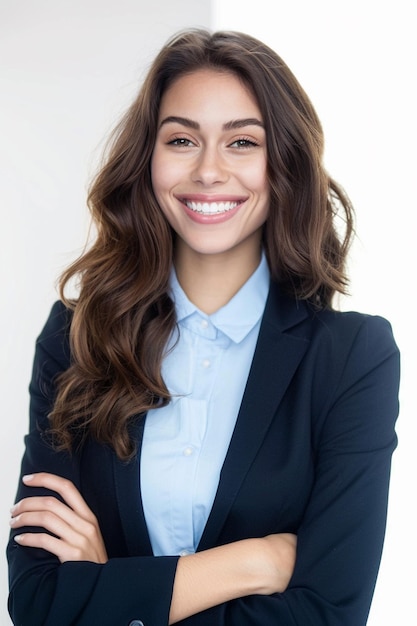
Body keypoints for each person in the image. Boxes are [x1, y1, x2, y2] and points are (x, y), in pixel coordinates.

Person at [7, 28, 400, 626]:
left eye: (242, 141)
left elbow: (329, 612)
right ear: (149, 159)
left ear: (282, 162)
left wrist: (112, 584)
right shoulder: (76, 338)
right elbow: (37, 600)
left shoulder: (353, 359)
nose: (209, 171)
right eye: (182, 139)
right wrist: (251, 564)